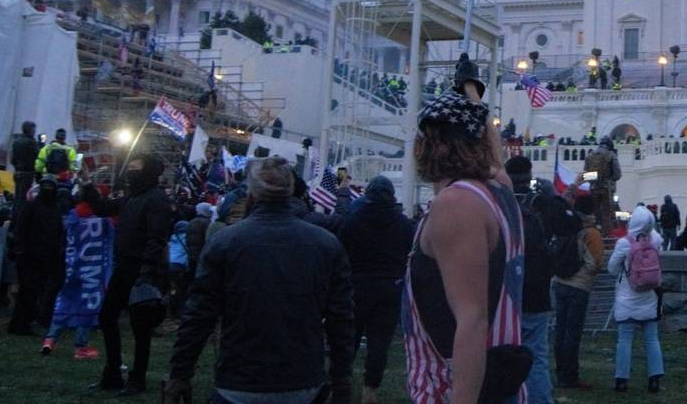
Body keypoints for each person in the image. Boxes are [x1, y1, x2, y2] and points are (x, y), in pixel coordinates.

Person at [165, 157, 354, 404]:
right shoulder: (325, 245)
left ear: (251, 195)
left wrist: (180, 374)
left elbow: (199, 316)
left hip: (239, 381)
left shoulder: (224, 243)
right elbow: (341, 319)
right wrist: (341, 380)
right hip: (302, 382)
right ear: (292, 193)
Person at [402, 91, 524, 404]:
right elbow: (495, 162)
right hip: (500, 381)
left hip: (453, 389)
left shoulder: (456, 204)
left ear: (435, 145)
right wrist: (473, 100)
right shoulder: (499, 190)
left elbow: (472, 320)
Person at [89, 154, 173, 395]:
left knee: (141, 327)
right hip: (125, 267)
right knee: (107, 317)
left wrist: (147, 270)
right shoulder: (132, 198)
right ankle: (113, 372)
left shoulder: (155, 199)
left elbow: (156, 238)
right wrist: (87, 187)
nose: (131, 171)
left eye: (136, 167)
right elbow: (104, 208)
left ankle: (138, 378)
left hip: (142, 269)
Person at [326, 175, 413, 404]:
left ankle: (339, 385)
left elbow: (340, 253)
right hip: (389, 289)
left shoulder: (353, 221)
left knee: (348, 339)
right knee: (380, 341)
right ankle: (370, 390)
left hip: (357, 286)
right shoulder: (404, 224)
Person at [507, 156, 583, 404]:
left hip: (503, 292)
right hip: (536, 291)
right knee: (536, 354)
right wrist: (555, 198)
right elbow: (572, 224)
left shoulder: (498, 202)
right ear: (530, 176)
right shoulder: (540, 203)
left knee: (502, 353)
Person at [43, 184, 112, 360]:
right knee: (88, 305)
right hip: (92, 270)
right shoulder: (101, 222)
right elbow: (109, 247)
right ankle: (81, 346)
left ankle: (50, 339)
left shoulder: (71, 218)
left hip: (71, 268)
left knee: (65, 301)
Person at [609, 205, 665, 393]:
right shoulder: (655, 239)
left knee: (624, 339)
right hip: (649, 295)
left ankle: (621, 380)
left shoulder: (624, 243)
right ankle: (655, 379)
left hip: (627, 296)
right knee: (652, 339)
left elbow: (612, 268)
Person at [553, 191, 606, 390]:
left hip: (559, 282)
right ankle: (570, 376)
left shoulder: (565, 226)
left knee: (560, 330)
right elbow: (595, 263)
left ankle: (560, 372)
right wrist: (582, 275)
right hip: (578, 286)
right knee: (573, 333)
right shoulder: (591, 233)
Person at [8, 176, 65, 337]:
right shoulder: (34, 207)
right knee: (29, 292)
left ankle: (19, 323)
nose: (47, 189)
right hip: (29, 256)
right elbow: (21, 230)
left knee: (30, 292)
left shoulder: (52, 208)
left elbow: (57, 233)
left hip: (43, 257)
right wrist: (20, 250)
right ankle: (22, 324)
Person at [584, 137, 621, 223]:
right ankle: (607, 234)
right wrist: (608, 178)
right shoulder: (611, 154)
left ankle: (595, 231)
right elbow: (618, 174)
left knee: (593, 212)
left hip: (593, 188)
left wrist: (595, 179)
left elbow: (586, 175)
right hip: (606, 188)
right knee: (607, 214)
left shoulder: (590, 155)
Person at [10, 121, 39, 205]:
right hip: (27, 173)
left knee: (17, 196)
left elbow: (12, 159)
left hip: (17, 171)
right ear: (30, 130)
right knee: (24, 198)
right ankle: (21, 216)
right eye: (34, 129)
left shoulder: (17, 142)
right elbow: (36, 156)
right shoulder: (31, 143)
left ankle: (15, 215)